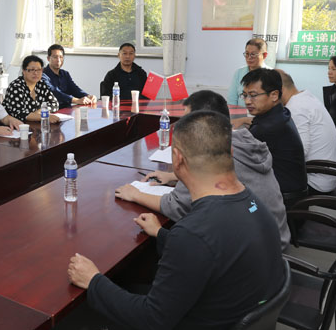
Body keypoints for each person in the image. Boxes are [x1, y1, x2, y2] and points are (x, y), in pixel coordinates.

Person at [68, 110, 285, 330]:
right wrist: (162, 234)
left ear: (178, 159)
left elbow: (153, 319)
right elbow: (217, 249)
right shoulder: (253, 203)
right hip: (227, 319)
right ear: (230, 152)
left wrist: (93, 280)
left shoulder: (193, 233)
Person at [115, 90, 290, 250]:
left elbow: (177, 206)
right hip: (273, 239)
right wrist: (173, 176)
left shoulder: (214, 152)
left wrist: (135, 194)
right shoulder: (243, 139)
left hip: (253, 255)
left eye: (187, 120)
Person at [240, 68, 307, 202]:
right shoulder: (281, 113)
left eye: (253, 95)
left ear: (274, 95)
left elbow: (242, 161)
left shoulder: (267, 128)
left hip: (283, 200)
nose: (247, 101)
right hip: (293, 191)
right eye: (244, 95)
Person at [278, 69, 336, 194]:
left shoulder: (296, 108)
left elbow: (299, 152)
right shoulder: (305, 97)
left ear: (280, 90)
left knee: (261, 178)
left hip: (315, 182)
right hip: (326, 175)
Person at [2, 55, 61, 122]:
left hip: (34, 124)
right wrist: (44, 116)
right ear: (24, 71)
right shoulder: (16, 87)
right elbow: (19, 114)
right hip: (14, 125)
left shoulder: (41, 84)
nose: (35, 73)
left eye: (39, 70)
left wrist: (40, 111)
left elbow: (55, 104)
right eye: (32, 70)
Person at [42, 44, 96, 109]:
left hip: (67, 110)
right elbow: (53, 92)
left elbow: (75, 89)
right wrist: (76, 100)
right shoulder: (42, 75)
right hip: (50, 111)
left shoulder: (65, 74)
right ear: (48, 58)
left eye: (61, 57)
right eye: (55, 57)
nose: (58, 60)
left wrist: (88, 96)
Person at [227, 38, 269, 106]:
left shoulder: (272, 75)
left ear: (264, 55)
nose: (249, 57)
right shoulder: (239, 73)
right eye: (247, 54)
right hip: (240, 112)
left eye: (253, 54)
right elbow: (232, 100)